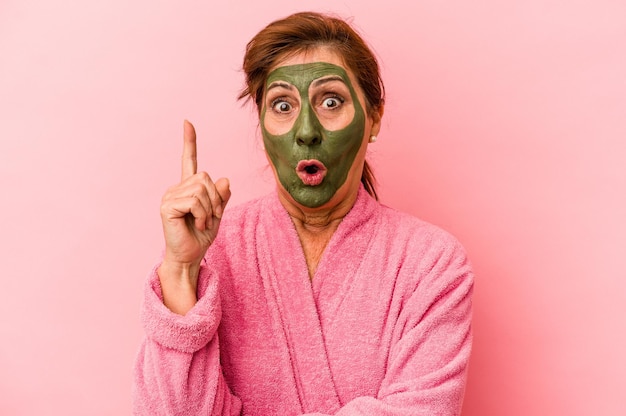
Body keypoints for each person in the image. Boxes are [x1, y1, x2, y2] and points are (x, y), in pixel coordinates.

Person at [133, 11, 473, 416]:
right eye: (282, 105)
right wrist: (180, 272)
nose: (306, 130)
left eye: (331, 101)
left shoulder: (431, 264)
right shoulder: (213, 251)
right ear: (261, 123)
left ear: (374, 118)